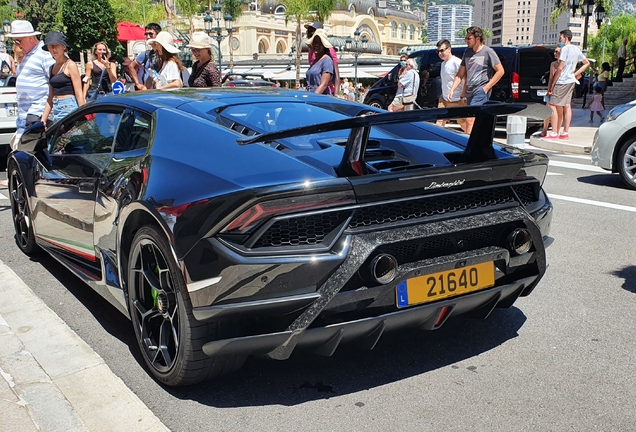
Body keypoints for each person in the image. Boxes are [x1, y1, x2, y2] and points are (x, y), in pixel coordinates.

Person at [448, 26, 504, 134]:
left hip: (480, 91)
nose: (466, 41)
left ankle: (467, 145)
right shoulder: (467, 52)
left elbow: (500, 71)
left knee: (470, 119)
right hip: (469, 91)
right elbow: (460, 73)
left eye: (469, 38)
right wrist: (452, 89)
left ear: (477, 39)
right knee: (475, 120)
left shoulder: (488, 52)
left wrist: (486, 88)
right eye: (466, 38)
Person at [7, 20, 55, 140]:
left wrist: (44, 116)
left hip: (37, 114)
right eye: (14, 41)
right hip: (25, 116)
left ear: (30, 38)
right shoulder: (27, 55)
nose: (17, 45)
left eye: (19, 41)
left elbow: (56, 82)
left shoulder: (45, 54)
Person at [546, 29, 589, 140]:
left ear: (565, 38)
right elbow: (586, 63)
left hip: (562, 81)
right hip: (571, 81)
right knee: (567, 105)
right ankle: (565, 132)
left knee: (551, 104)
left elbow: (560, 68)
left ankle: (554, 132)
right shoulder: (576, 49)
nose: (559, 40)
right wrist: (575, 74)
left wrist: (552, 85)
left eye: (560, 37)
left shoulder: (565, 49)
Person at [40, 32, 84, 124]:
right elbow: (50, 97)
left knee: (66, 136)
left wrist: (83, 115)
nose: (53, 49)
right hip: (56, 108)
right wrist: (43, 120)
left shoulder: (70, 65)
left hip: (69, 106)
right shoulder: (51, 68)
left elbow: (79, 94)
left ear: (64, 47)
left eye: (56, 45)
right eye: (50, 46)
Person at [435, 39, 467, 132]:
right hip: (444, 99)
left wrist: (463, 96)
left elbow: (466, 79)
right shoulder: (442, 64)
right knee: (439, 123)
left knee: (464, 124)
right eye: (438, 51)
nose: (440, 53)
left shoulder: (457, 62)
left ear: (449, 49)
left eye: (442, 50)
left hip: (457, 99)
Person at [305, 22, 340, 96]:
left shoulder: (328, 56)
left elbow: (335, 76)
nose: (309, 34)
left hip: (320, 96)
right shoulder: (313, 53)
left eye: (312, 31)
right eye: (308, 32)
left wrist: (336, 95)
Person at [127, 23, 162, 91]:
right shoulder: (147, 54)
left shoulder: (165, 53)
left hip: (163, 91)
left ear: (158, 35)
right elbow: (131, 66)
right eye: (146, 34)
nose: (148, 37)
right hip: (149, 92)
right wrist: (138, 84)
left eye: (151, 34)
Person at [540, 47, 560, 137]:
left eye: (557, 51)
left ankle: (554, 130)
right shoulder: (553, 64)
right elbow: (551, 78)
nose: (555, 53)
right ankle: (545, 129)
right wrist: (549, 89)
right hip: (553, 88)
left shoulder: (564, 64)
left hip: (561, 87)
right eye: (554, 51)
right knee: (548, 107)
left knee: (556, 108)